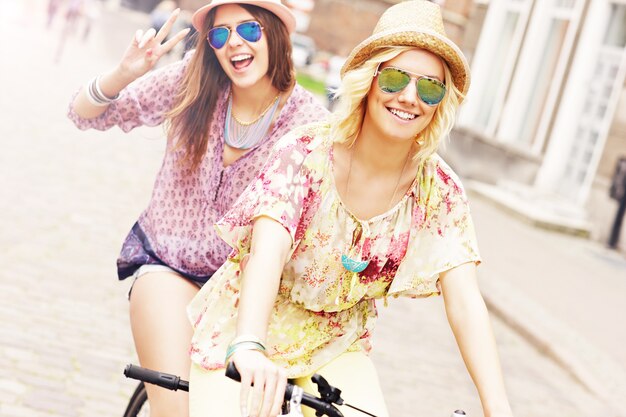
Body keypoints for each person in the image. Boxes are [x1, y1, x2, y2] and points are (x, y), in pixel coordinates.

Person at [187, 1, 515, 417]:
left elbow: (466, 300)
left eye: (430, 87)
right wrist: (249, 345)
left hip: (335, 343)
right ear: (370, 79)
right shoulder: (306, 152)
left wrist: (498, 406)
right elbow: (266, 254)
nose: (410, 97)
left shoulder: (439, 191)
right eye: (396, 78)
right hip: (247, 324)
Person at [66, 1, 328, 416]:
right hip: (169, 268)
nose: (233, 43)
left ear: (277, 32)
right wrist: (125, 74)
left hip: (248, 294)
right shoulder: (194, 82)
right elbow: (84, 115)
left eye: (249, 29)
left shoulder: (310, 123)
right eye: (220, 35)